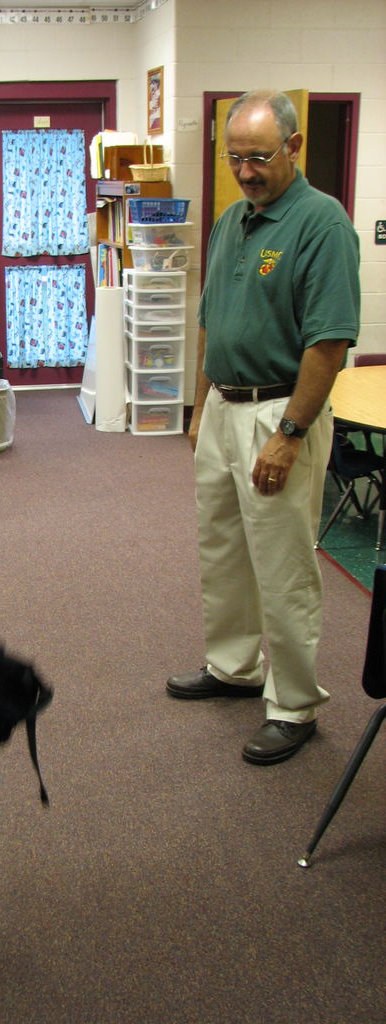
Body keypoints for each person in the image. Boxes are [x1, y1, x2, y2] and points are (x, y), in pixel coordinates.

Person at [166, 90, 360, 766]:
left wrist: (289, 432)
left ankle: (295, 704)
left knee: (282, 567)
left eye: (259, 157)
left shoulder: (321, 223)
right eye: (234, 158)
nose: (246, 171)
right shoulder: (230, 220)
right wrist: (198, 406)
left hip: (278, 414)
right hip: (223, 407)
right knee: (221, 549)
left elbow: (329, 342)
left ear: (294, 148)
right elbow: (210, 320)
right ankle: (233, 668)